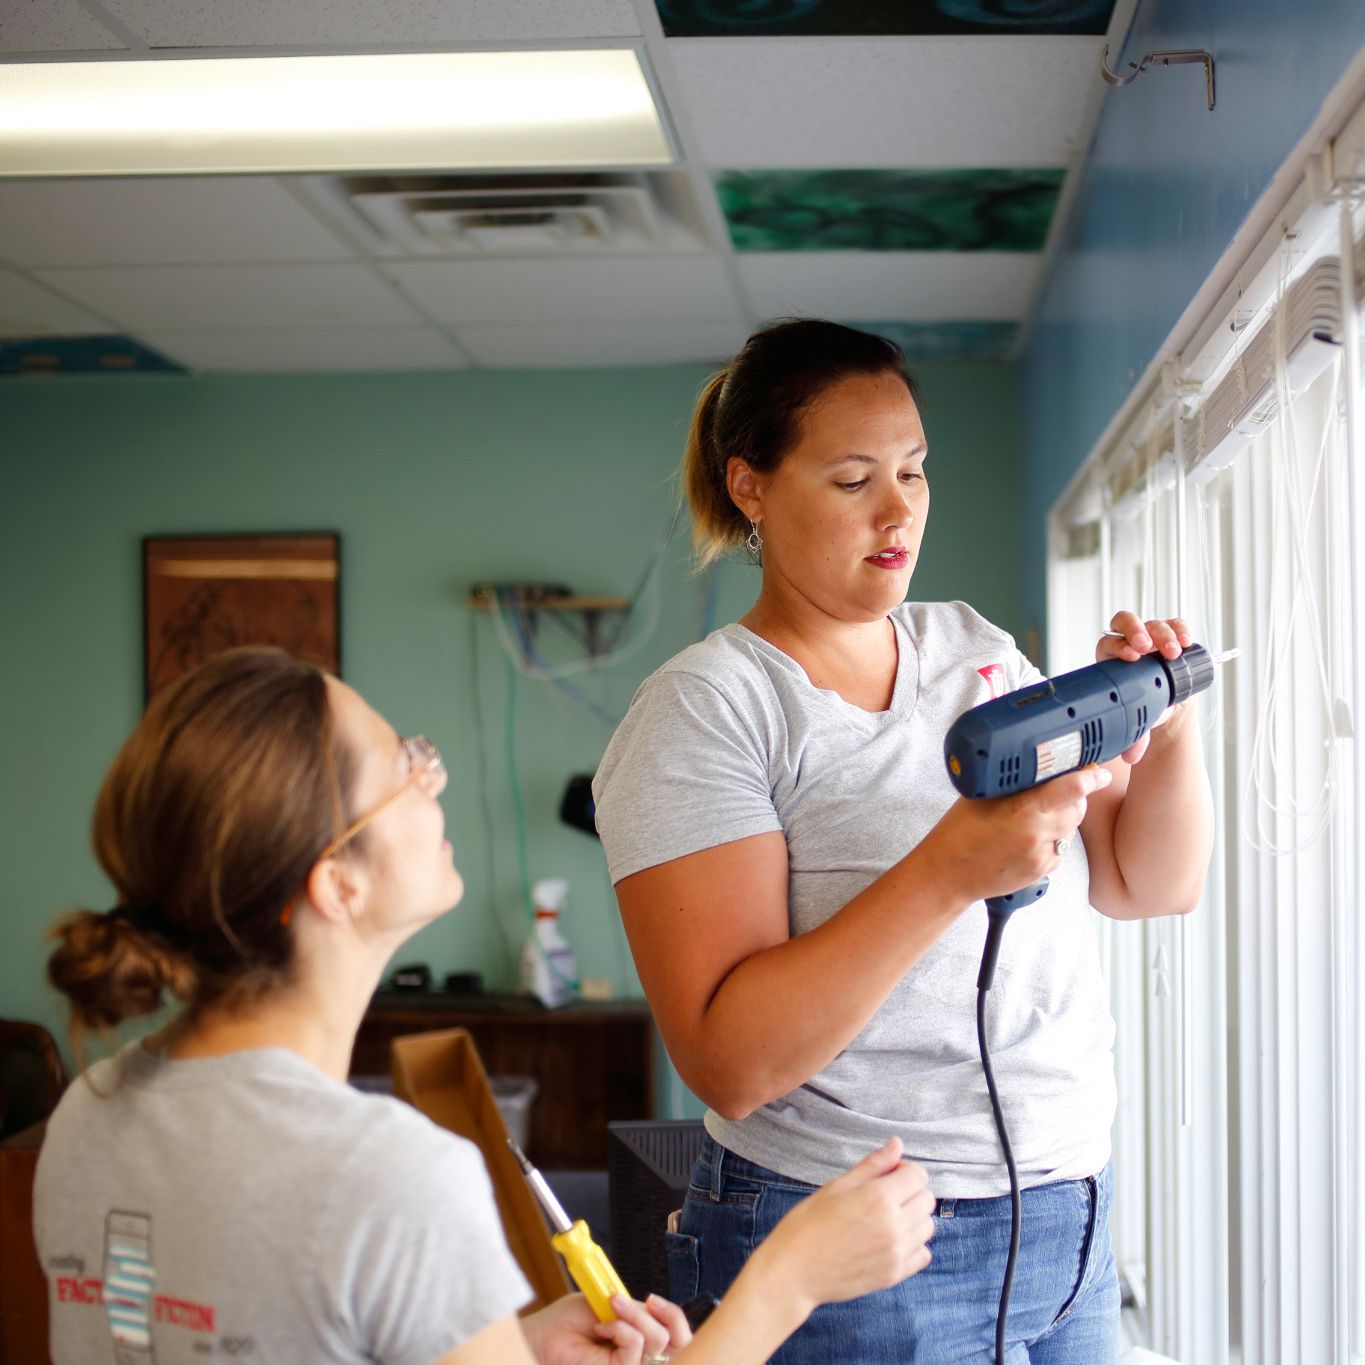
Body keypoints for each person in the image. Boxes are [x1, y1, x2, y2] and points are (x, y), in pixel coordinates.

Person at [592, 319, 1215, 1363]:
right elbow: (730, 1062)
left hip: (1071, 1213)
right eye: (851, 481)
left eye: (914, 471)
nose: (898, 510)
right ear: (750, 487)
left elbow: (1148, 881)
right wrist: (945, 872)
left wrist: (1168, 722)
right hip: (858, 1241)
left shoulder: (974, 647)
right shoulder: (710, 711)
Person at [34, 645, 936, 1365]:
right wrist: (786, 1281)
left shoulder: (89, 1111)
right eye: (403, 767)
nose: (435, 780)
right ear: (336, 883)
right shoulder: (389, 1177)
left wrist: (492, 1343)